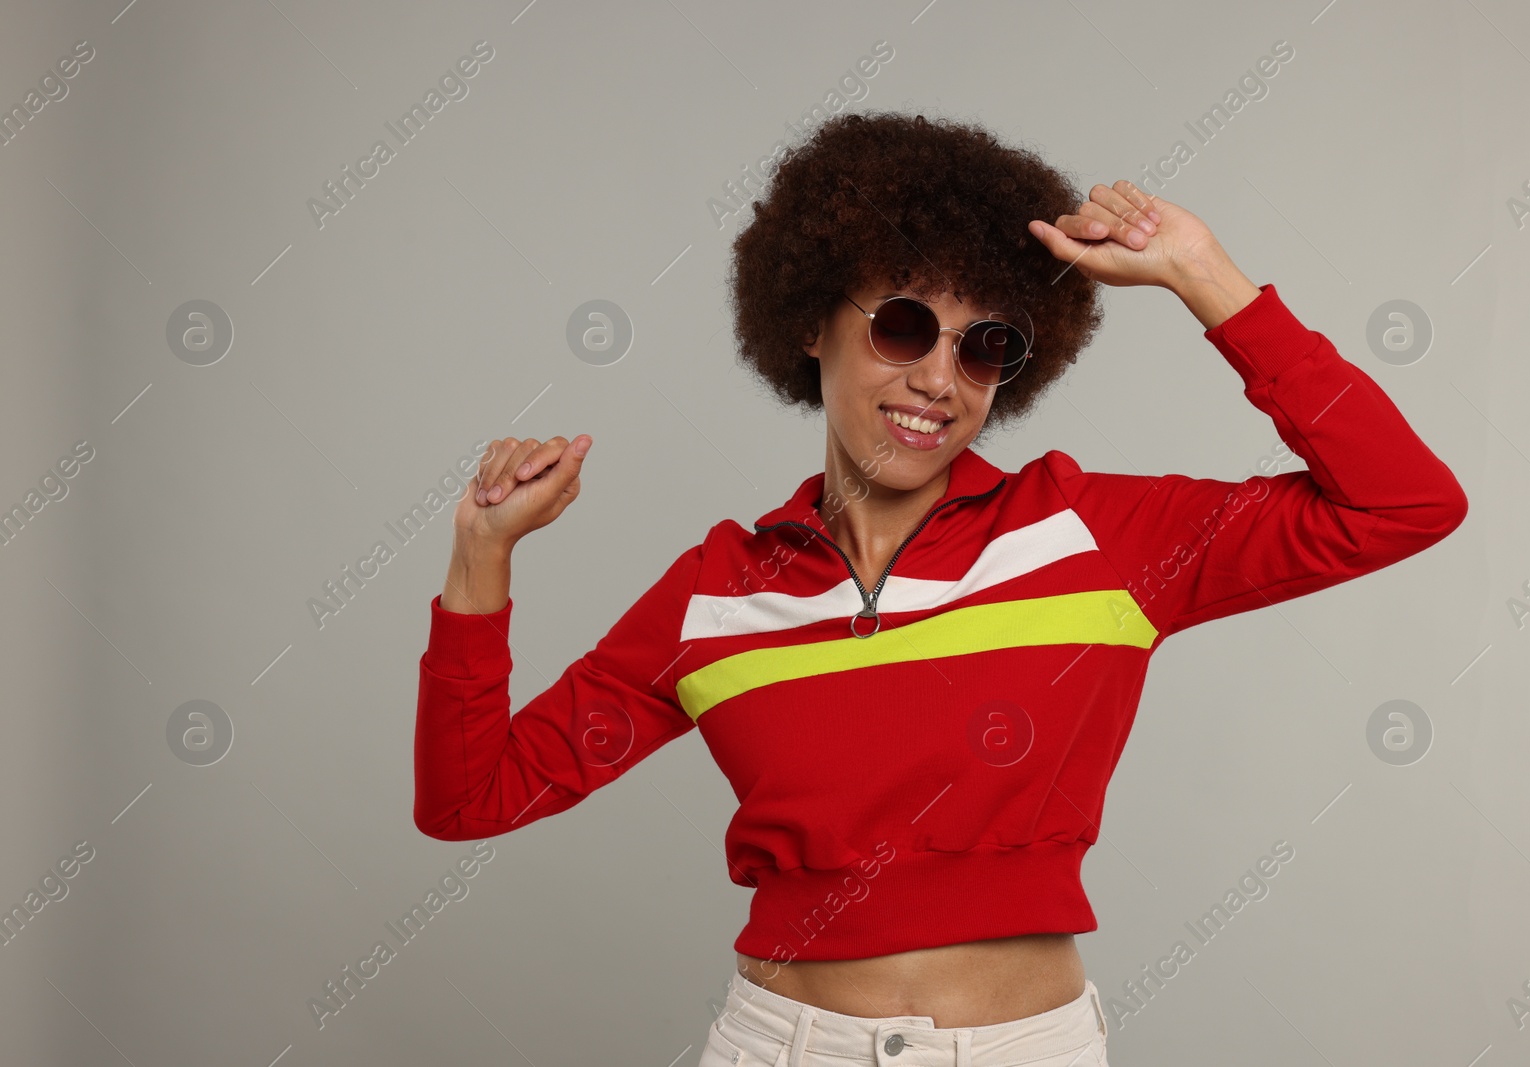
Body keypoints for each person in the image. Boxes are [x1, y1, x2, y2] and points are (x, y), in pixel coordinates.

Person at [412, 112, 1468, 1067]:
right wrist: (482, 554)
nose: (937, 378)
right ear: (810, 324)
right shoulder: (720, 591)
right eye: (903, 326)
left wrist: (1206, 277)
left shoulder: (1093, 536)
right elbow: (471, 798)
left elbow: (1402, 502)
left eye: (985, 346)